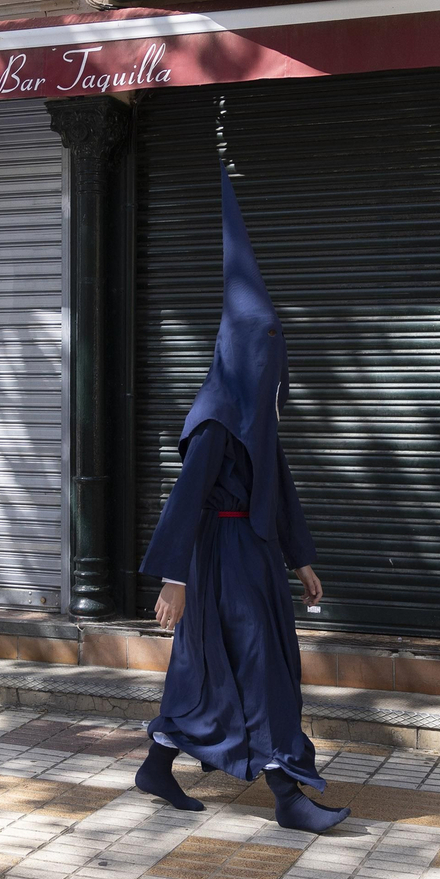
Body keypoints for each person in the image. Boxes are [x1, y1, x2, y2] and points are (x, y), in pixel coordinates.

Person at [134, 165, 350, 835]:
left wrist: (301, 558)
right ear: (240, 351)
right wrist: (174, 579)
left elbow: (279, 489)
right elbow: (186, 498)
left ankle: (158, 762)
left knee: (220, 669)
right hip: (219, 560)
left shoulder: (258, 420)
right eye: (266, 348)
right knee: (255, 670)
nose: (276, 366)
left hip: (253, 559)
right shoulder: (216, 417)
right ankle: (287, 793)